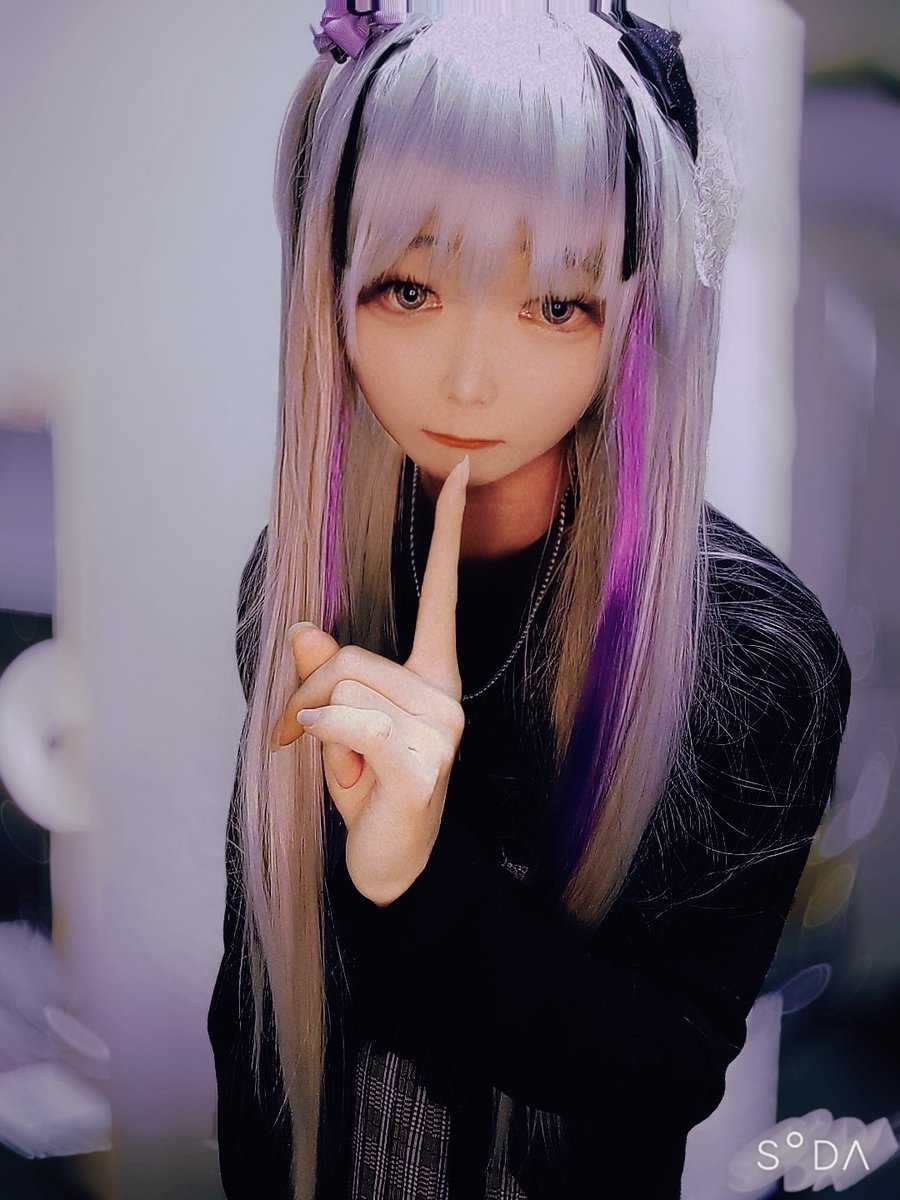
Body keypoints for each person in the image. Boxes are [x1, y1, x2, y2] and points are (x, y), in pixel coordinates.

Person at [207, 4, 852, 1198]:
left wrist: (415, 880)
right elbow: (256, 1010)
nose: (468, 379)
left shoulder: (751, 654)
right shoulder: (299, 589)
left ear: (634, 305)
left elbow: (666, 1066)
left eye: (555, 304)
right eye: (409, 288)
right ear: (330, 283)